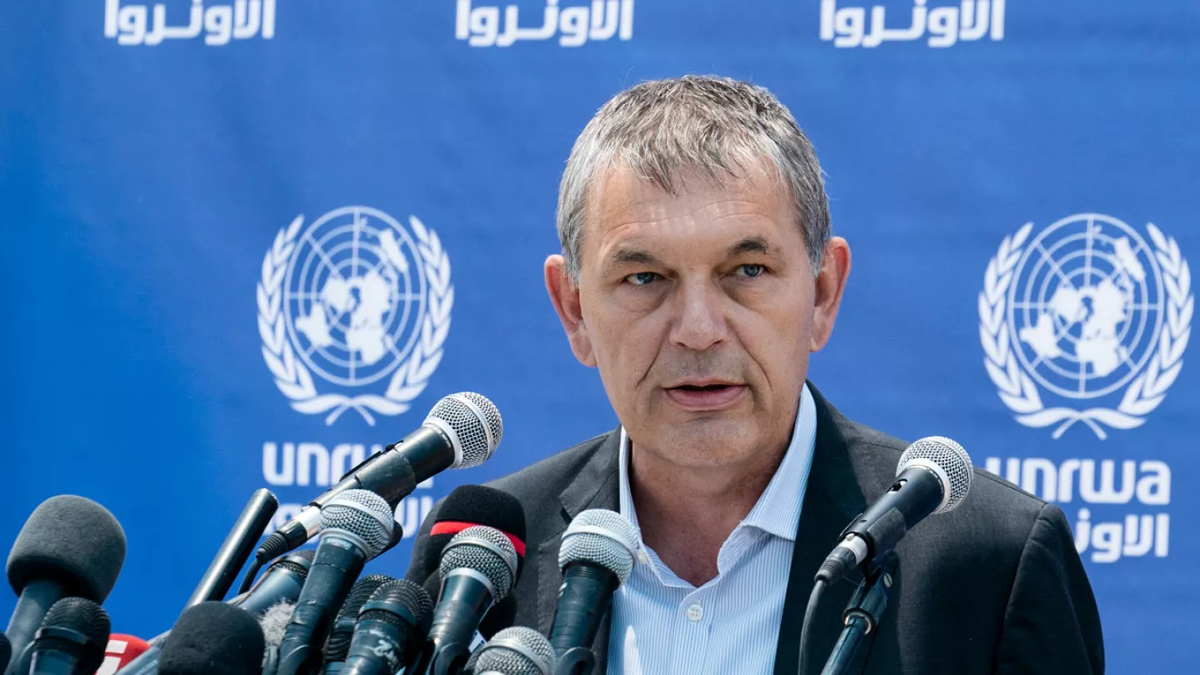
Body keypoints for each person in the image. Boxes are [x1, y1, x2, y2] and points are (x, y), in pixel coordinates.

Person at [410, 75, 1104, 674]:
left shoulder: (988, 562)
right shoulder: (483, 555)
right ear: (574, 309)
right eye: (645, 277)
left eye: (747, 270)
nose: (698, 329)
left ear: (823, 293)